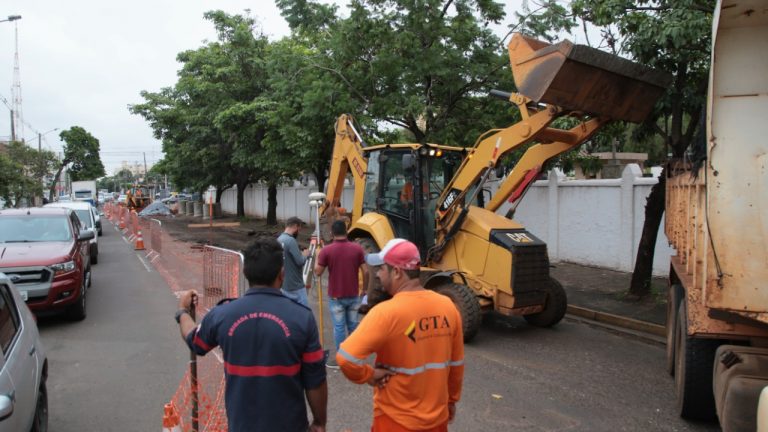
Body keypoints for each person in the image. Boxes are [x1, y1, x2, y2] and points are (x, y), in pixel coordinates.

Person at [175, 236, 327, 432]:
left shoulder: (222, 315)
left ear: (246, 272)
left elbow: (194, 340)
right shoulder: (302, 317)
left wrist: (182, 313)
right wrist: (319, 422)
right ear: (282, 274)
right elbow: (315, 379)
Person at [336, 238, 464, 431]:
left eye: (381, 269)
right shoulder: (448, 307)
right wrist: (451, 401)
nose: (377, 274)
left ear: (397, 272)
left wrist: (369, 375)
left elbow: (346, 359)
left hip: (394, 421)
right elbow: (456, 364)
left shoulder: (386, 313)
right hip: (437, 421)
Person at [314, 220, 366, 369]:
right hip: (354, 295)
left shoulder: (327, 251)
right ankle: (356, 358)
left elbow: (318, 272)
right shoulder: (357, 249)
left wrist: (319, 256)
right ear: (346, 231)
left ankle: (340, 360)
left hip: (336, 297)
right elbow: (366, 271)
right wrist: (365, 289)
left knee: (339, 328)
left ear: (332, 233)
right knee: (353, 326)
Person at [278, 216, 310, 307]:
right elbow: (300, 261)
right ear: (295, 226)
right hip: (296, 286)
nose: (298, 232)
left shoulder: (279, 239)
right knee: (303, 313)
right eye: (299, 229)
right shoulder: (291, 240)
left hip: (284, 285)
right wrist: (305, 255)